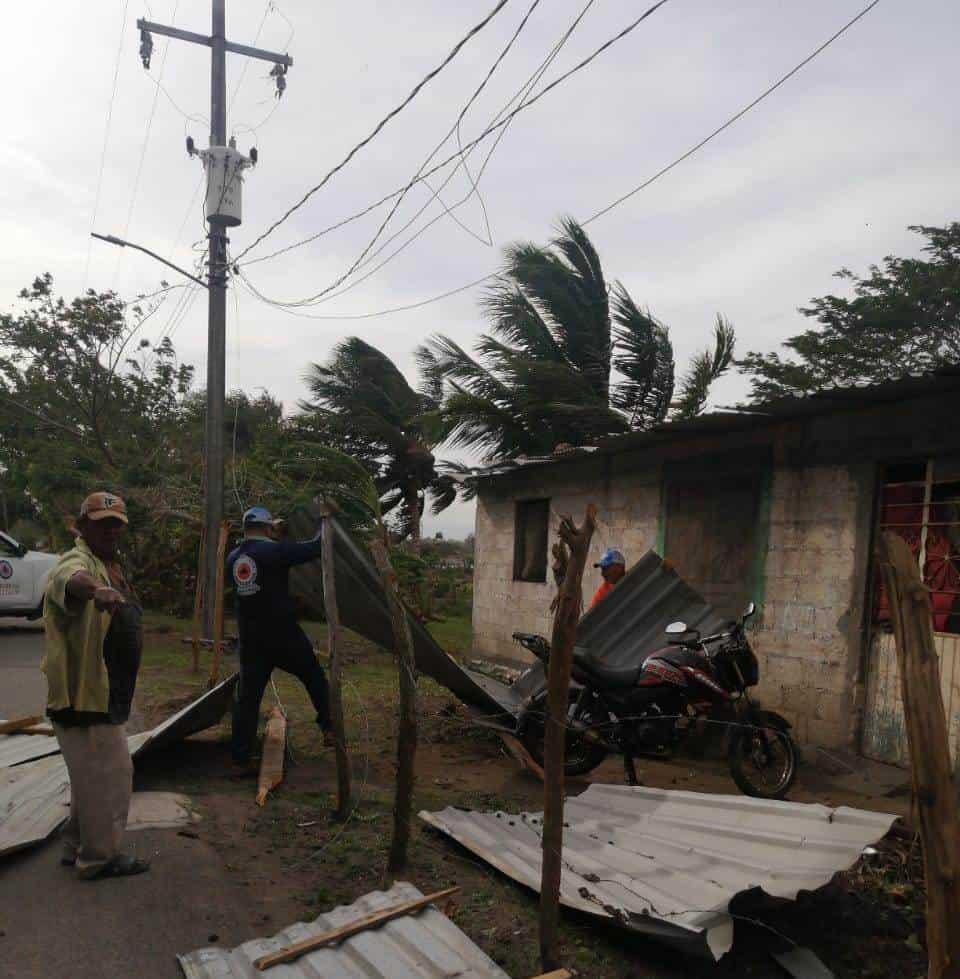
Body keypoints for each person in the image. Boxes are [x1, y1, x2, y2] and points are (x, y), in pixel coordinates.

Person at [42, 491, 149, 880]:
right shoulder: (79, 561)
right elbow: (66, 578)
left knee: (88, 777)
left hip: (105, 689)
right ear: (82, 525)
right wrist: (95, 591)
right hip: (85, 694)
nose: (110, 530)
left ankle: (75, 846)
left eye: (116, 524)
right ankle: (98, 859)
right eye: (102, 523)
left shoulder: (111, 564)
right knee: (112, 777)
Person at [227, 506, 333, 774]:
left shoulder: (233, 557)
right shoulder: (274, 551)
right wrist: (324, 519)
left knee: (248, 699)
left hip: (251, 640)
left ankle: (240, 756)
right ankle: (330, 727)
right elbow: (317, 546)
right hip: (283, 635)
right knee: (313, 677)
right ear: (267, 528)